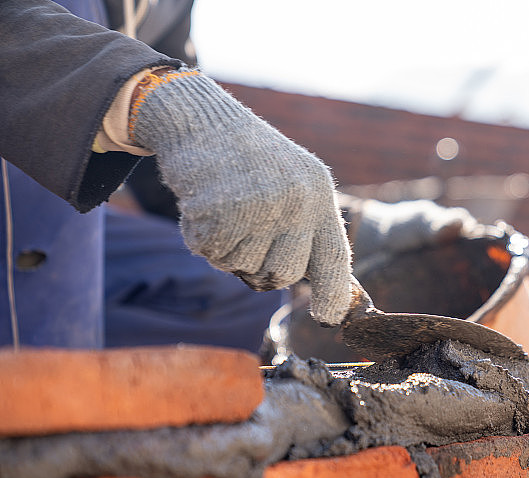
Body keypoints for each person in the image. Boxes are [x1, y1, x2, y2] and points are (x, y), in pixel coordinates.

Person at [0, 0, 353, 350]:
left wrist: (348, 224)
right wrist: (148, 93)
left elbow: (189, 162)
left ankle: (77, 367)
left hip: (70, 225)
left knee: (242, 300)